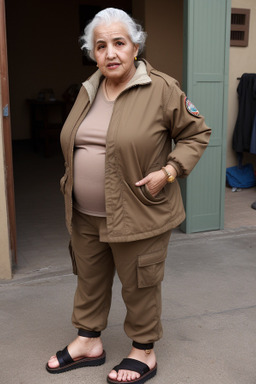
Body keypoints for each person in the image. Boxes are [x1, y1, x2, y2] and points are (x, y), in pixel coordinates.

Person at [46, 7, 211, 384]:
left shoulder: (162, 89)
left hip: (139, 212)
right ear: (93, 53)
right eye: (100, 46)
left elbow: (196, 133)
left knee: (140, 284)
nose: (110, 53)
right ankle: (88, 341)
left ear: (136, 46)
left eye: (119, 43)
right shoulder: (88, 90)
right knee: (89, 278)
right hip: (85, 212)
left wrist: (168, 172)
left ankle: (143, 351)